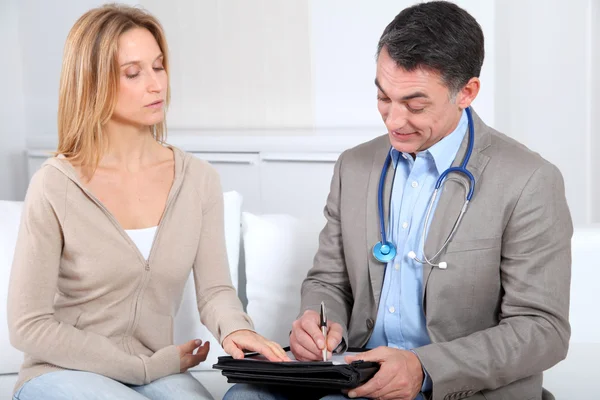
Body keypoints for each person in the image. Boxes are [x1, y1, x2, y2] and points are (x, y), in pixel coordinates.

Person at [224, 1, 572, 400]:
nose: (392, 120)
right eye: (384, 98)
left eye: (415, 105)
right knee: (243, 396)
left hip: (454, 387)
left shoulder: (528, 180)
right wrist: (320, 323)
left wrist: (423, 368)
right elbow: (327, 280)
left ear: (467, 92)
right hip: (354, 375)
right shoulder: (354, 167)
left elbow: (542, 329)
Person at [7, 4, 288, 400]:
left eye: (158, 66)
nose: (157, 84)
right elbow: (29, 324)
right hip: (60, 372)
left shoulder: (197, 179)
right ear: (92, 83)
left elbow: (215, 291)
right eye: (134, 73)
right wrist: (143, 367)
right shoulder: (54, 186)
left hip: (156, 369)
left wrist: (236, 329)